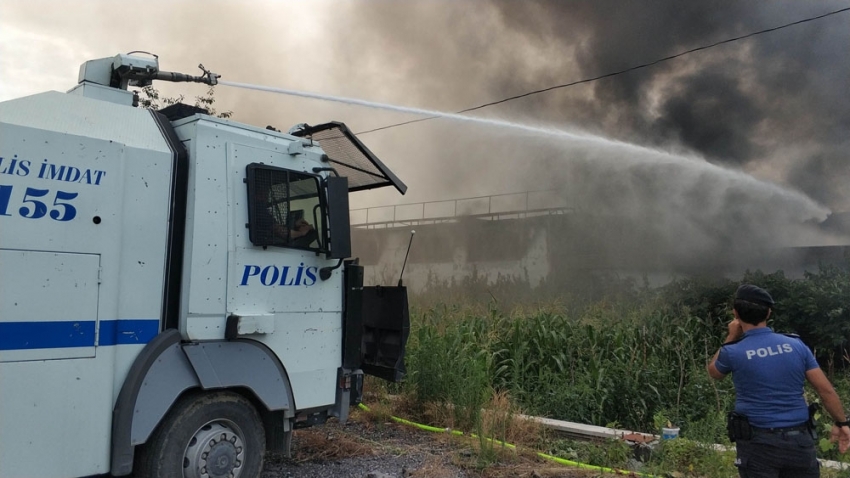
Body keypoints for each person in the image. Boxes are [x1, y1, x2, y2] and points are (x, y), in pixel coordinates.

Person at [707, 284, 850, 477]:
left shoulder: (732, 351)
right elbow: (826, 391)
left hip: (758, 445)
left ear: (735, 314)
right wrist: (842, 423)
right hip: (799, 442)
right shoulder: (796, 345)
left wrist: (732, 335)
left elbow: (714, 372)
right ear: (768, 313)